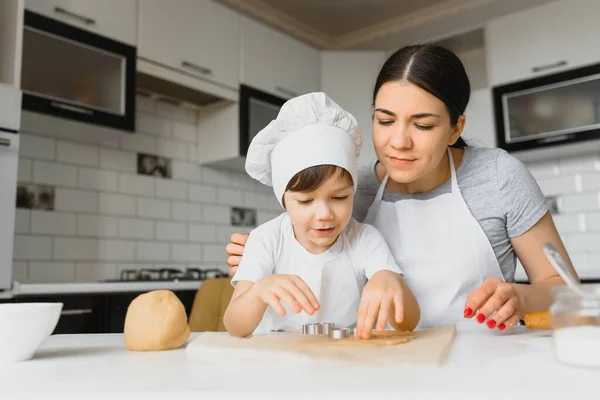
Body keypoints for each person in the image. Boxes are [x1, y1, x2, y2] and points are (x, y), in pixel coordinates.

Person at [227, 44, 577, 332]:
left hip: (489, 366)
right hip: (387, 369)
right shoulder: (347, 187)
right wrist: (257, 269)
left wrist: (521, 297)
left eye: (422, 125)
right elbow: (301, 248)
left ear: (456, 128)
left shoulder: (498, 176)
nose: (398, 142)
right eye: (385, 120)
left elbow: (565, 289)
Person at [223, 92, 420, 339]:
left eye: (339, 198)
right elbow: (234, 325)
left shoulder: (365, 239)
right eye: (305, 201)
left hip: (345, 360)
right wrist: (259, 291)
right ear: (283, 200)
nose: (325, 214)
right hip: (277, 363)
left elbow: (409, 324)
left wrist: (391, 281)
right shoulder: (267, 240)